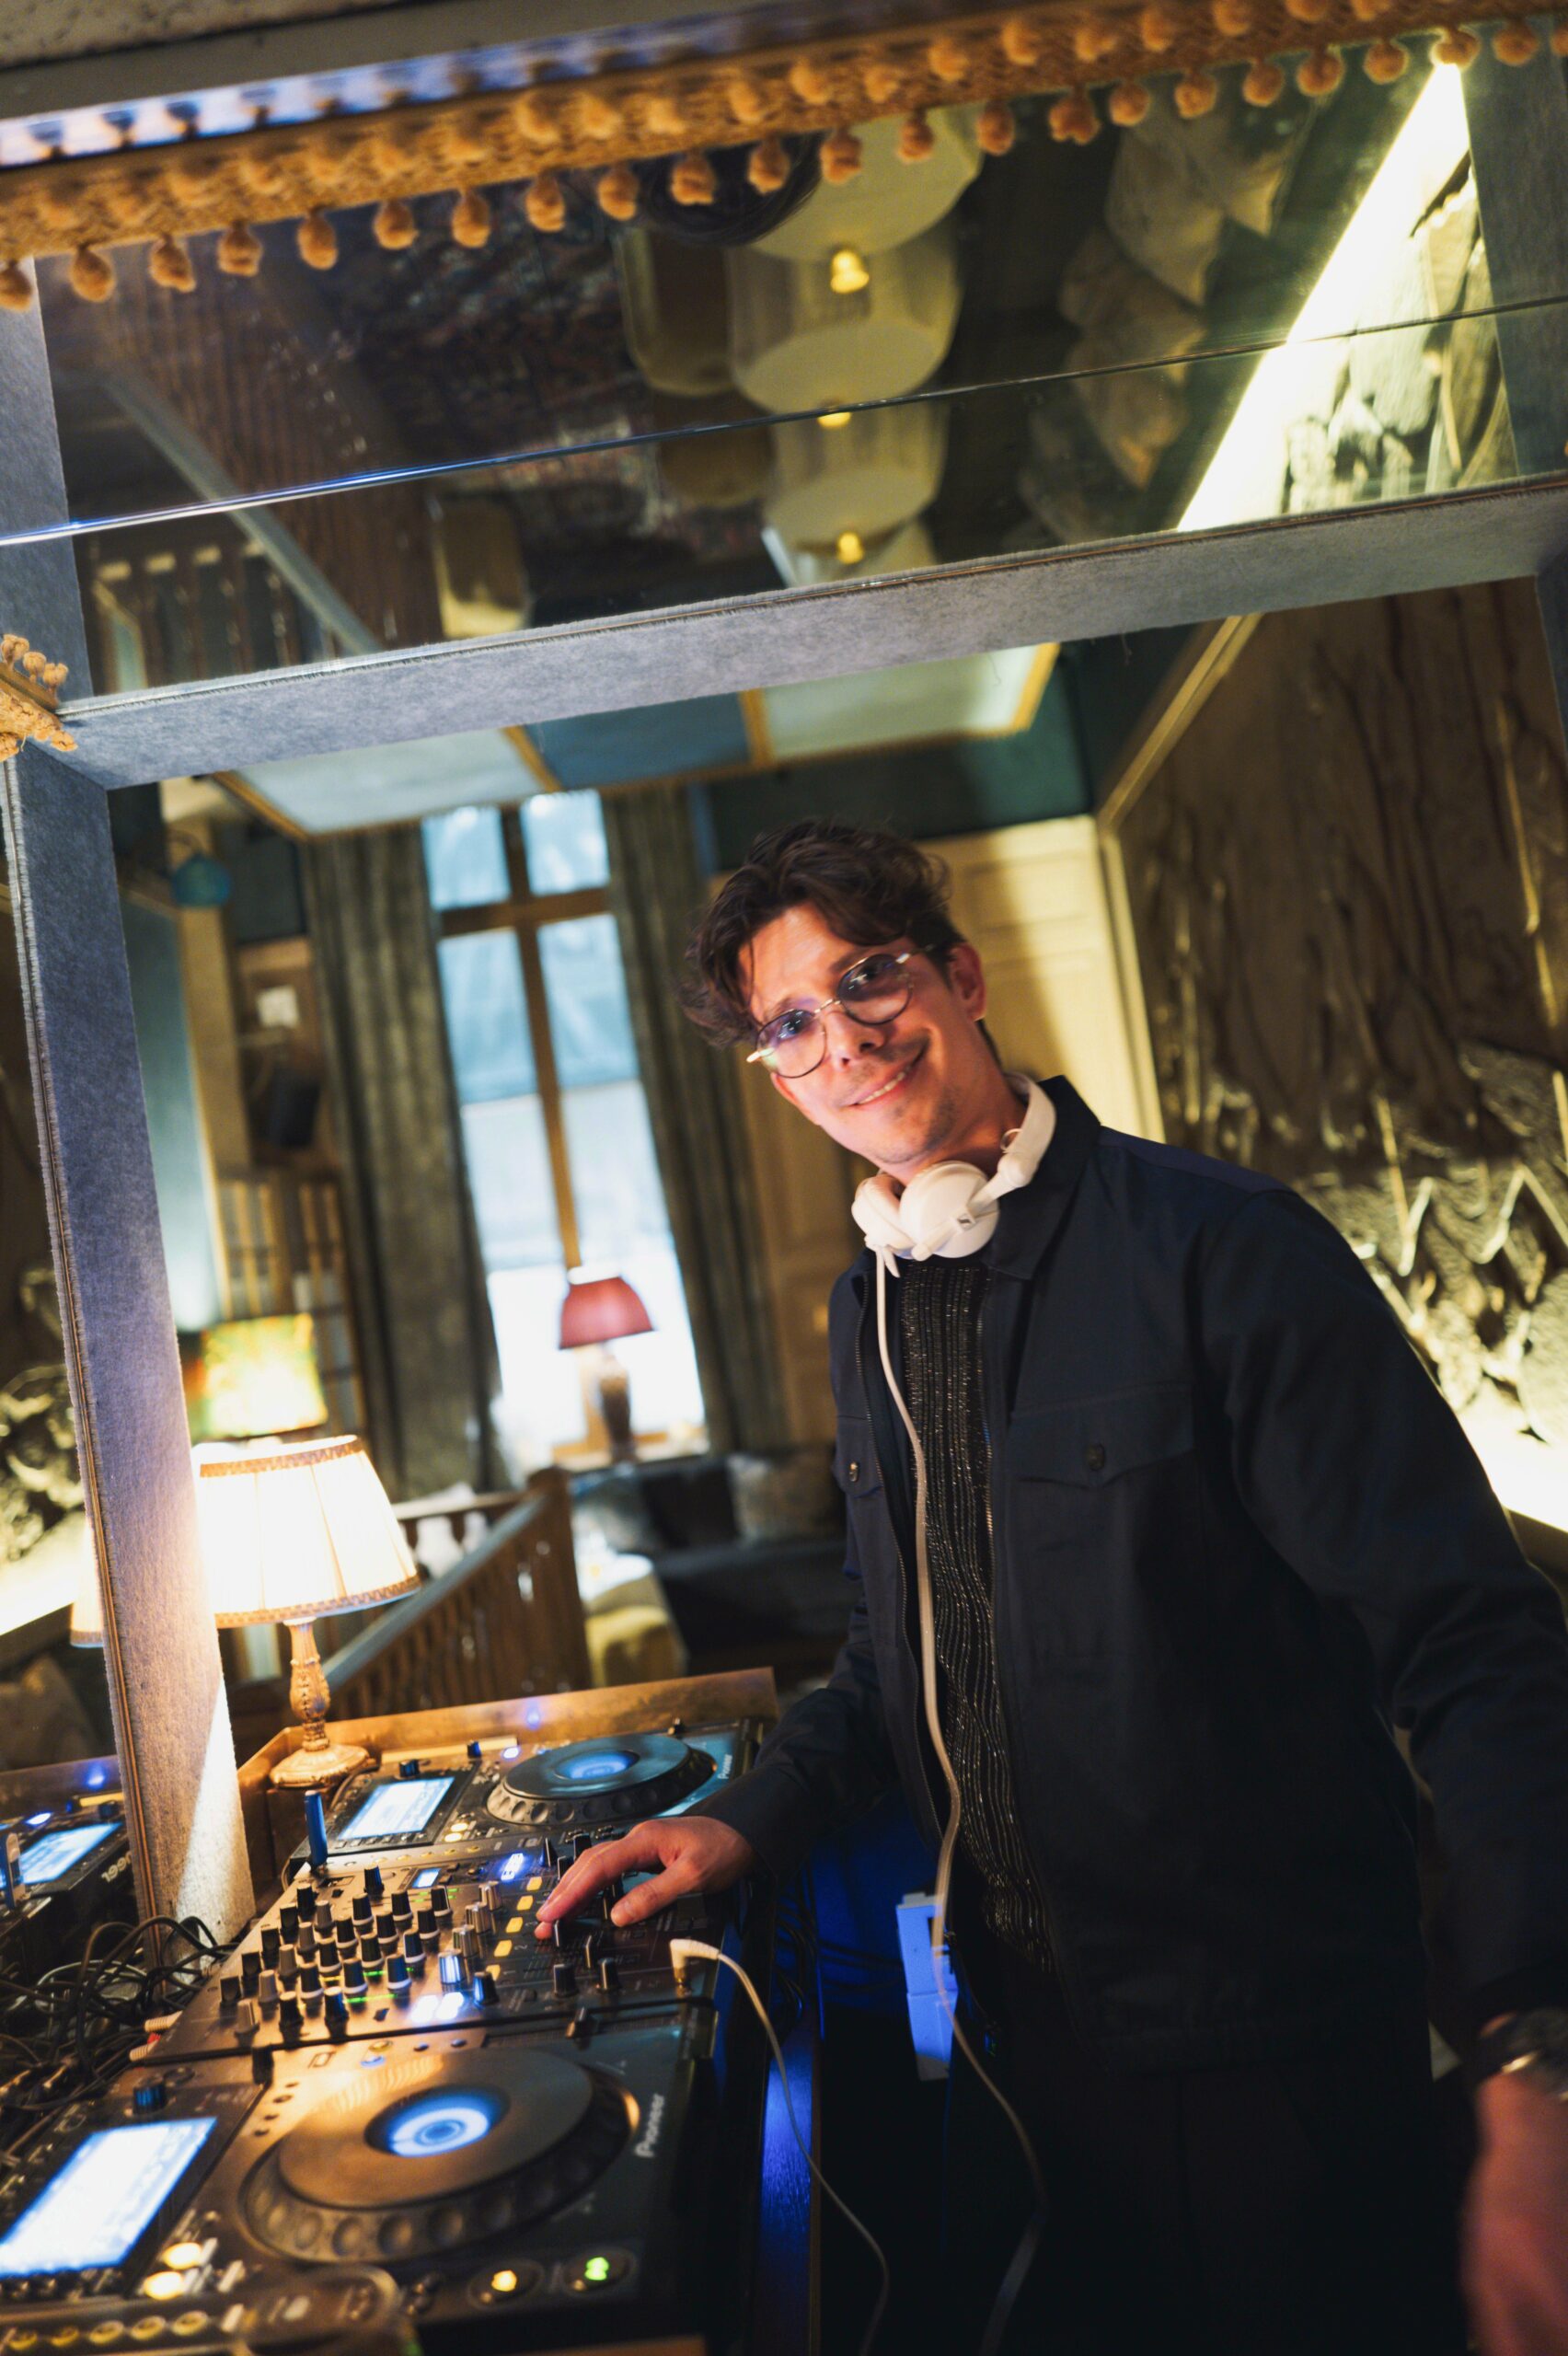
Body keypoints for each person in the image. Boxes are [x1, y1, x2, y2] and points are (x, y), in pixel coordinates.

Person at [538, 817, 1568, 2355]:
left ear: (959, 976)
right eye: (791, 1023)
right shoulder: (870, 1309)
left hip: (1275, 2052)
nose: (845, 1040)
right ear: (775, 1074)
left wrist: (1535, 2049)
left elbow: (1478, 1645)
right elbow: (894, 1659)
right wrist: (742, 1819)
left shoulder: (1225, 1250)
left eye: (869, 976)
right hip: (1032, 2045)